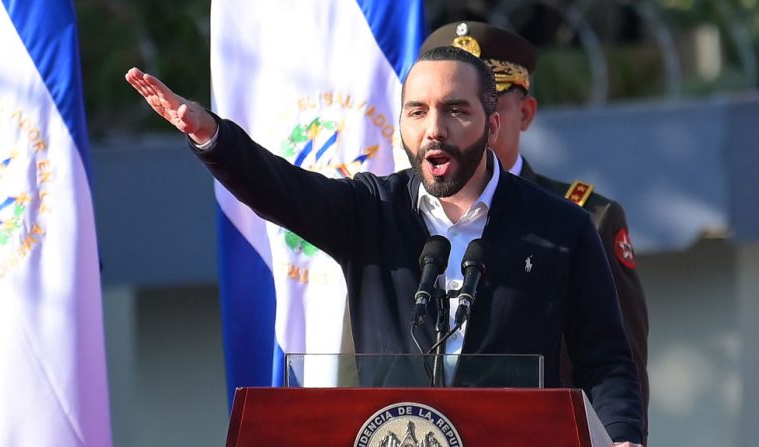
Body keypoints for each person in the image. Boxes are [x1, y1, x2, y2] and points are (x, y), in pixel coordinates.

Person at [125, 45, 644, 445]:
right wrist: (212, 136)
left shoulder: (562, 227)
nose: (433, 130)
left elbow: (606, 360)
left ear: (493, 123)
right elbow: (279, 188)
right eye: (416, 112)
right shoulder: (371, 211)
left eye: (455, 111)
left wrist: (622, 436)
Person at [420, 21, 650, 441]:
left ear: (522, 114)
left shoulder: (584, 219)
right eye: (448, 106)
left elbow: (619, 366)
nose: (459, 124)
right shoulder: (409, 210)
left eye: (482, 104)